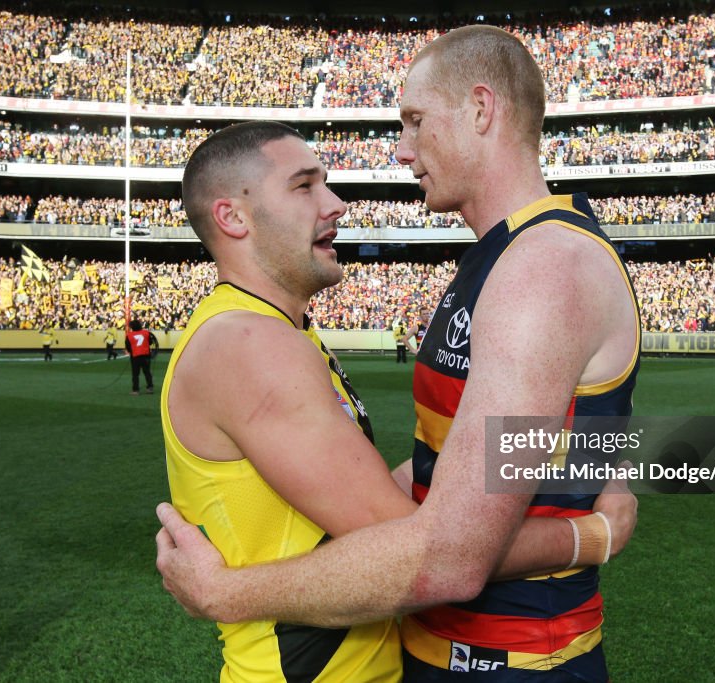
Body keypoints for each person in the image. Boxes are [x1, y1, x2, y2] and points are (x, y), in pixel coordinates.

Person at [156, 120, 636, 681]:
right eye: (304, 186)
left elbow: (356, 505)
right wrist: (590, 535)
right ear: (232, 217)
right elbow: (431, 554)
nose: (335, 204)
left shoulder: (275, 332)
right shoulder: (249, 345)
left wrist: (593, 447)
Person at [125, 319, 156, 395]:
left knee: (135, 374)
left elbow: (128, 347)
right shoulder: (146, 333)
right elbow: (150, 342)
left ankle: (135, 390)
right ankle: (150, 388)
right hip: (146, 355)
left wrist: (131, 351)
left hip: (135, 356)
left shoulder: (129, 335)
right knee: (147, 372)